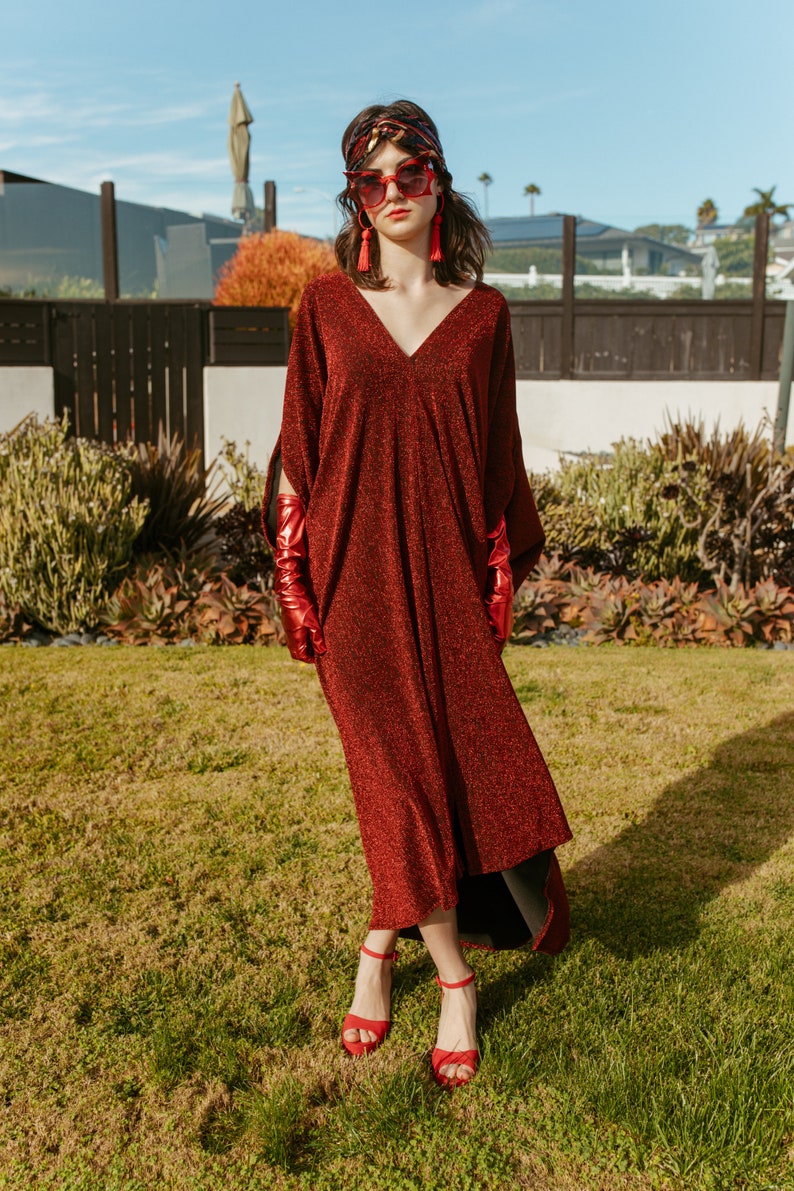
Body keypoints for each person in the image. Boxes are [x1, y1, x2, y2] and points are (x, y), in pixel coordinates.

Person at [261, 99, 572, 1089]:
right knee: (392, 777)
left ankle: (373, 952)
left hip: (441, 585)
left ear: (437, 179)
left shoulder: (482, 317)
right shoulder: (321, 308)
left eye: (410, 171)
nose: (392, 191)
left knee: (437, 778)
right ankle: (451, 982)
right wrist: (293, 586)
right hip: (352, 586)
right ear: (354, 195)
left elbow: (496, 471)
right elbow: (295, 461)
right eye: (373, 177)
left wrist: (492, 586)